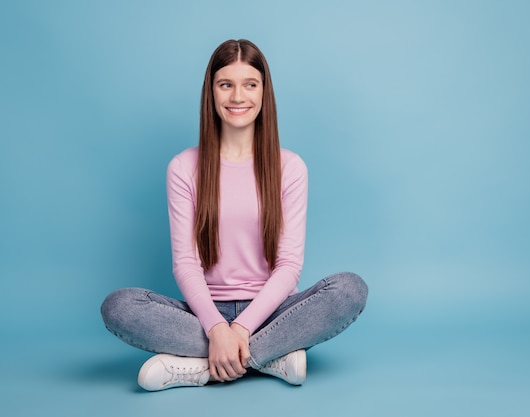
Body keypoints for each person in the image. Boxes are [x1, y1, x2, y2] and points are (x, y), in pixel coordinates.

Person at [100, 39, 368, 391]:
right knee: (118, 306)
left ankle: (203, 367)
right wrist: (216, 328)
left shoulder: (290, 167)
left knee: (349, 290)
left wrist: (241, 329)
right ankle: (270, 357)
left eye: (250, 85)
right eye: (226, 84)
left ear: (263, 92)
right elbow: (185, 263)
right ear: (211, 93)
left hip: (271, 314)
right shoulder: (184, 167)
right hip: (203, 315)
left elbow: (288, 266)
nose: (237, 97)